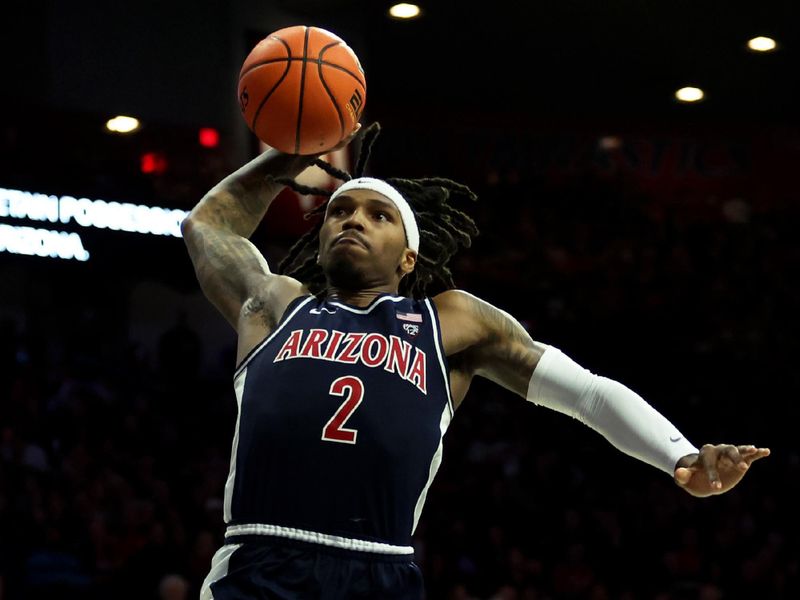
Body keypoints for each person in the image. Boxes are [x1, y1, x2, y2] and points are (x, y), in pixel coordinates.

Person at [182, 123, 769, 599]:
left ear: (409, 258)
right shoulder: (275, 304)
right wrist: (290, 153)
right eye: (339, 211)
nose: (353, 219)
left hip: (378, 571)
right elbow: (206, 224)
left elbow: (587, 393)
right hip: (258, 563)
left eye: (377, 214)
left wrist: (681, 456)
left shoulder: (450, 324)